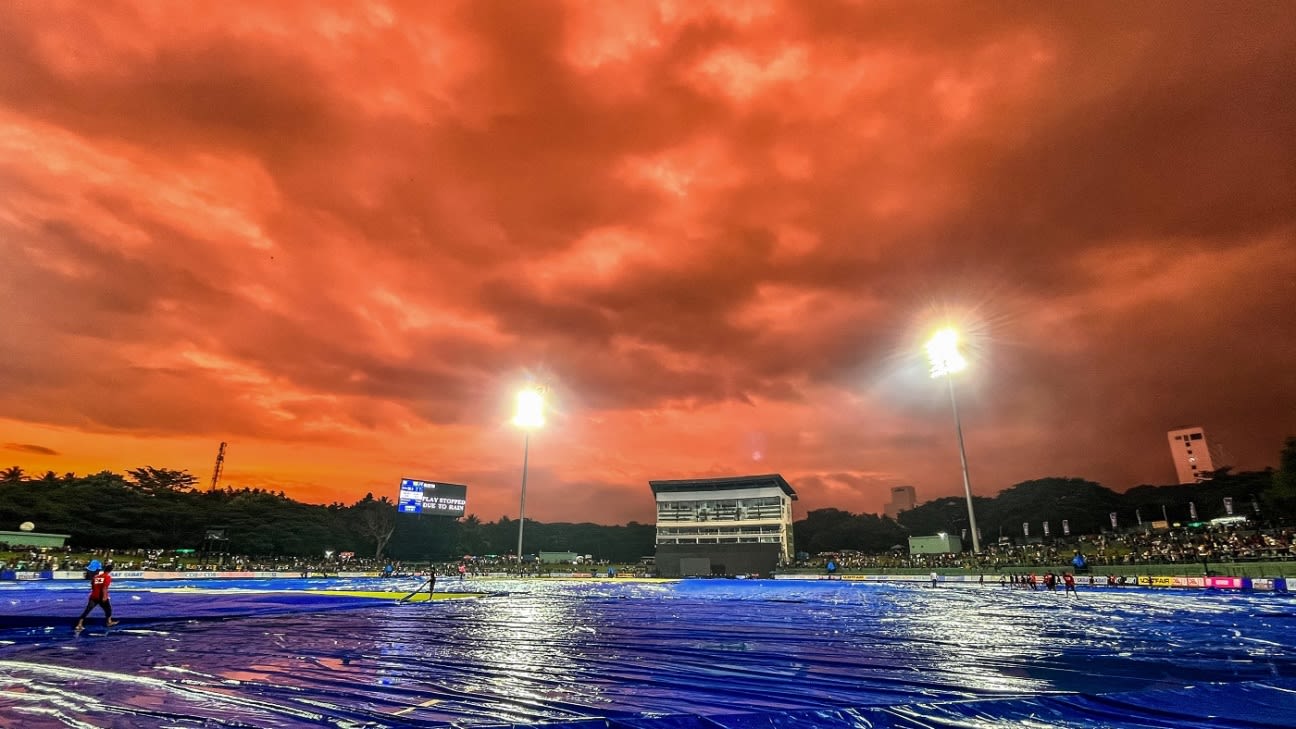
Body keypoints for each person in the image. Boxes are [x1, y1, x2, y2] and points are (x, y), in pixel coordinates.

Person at [75, 562, 118, 631]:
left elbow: (92, 585)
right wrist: (104, 596)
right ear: (110, 571)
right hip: (101, 596)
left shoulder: (96, 577)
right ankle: (109, 622)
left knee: (87, 610)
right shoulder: (107, 577)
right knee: (108, 609)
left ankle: (79, 624)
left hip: (94, 596)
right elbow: (104, 587)